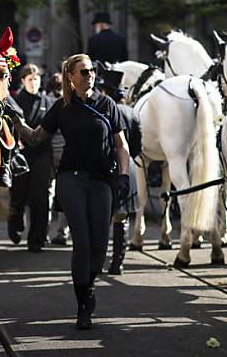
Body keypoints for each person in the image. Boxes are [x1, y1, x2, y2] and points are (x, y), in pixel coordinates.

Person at [14, 54, 131, 330]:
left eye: (92, 70)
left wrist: (124, 176)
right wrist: (15, 120)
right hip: (71, 179)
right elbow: (36, 137)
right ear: (71, 77)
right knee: (82, 241)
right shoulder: (62, 107)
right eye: (83, 72)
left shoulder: (107, 104)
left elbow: (122, 145)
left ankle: (88, 285)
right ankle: (83, 303)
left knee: (100, 244)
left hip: (102, 181)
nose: (90, 75)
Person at [96, 66, 140, 275]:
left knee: (101, 216)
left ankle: (98, 260)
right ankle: (118, 263)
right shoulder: (132, 112)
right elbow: (137, 146)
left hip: (105, 166)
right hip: (127, 167)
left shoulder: (102, 109)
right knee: (121, 218)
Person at [8, 64, 55, 253]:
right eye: (30, 80)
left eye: (36, 79)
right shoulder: (15, 101)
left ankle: (36, 237)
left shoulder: (49, 101)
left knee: (40, 198)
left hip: (42, 154)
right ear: (23, 81)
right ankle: (15, 224)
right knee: (19, 196)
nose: (34, 83)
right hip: (21, 155)